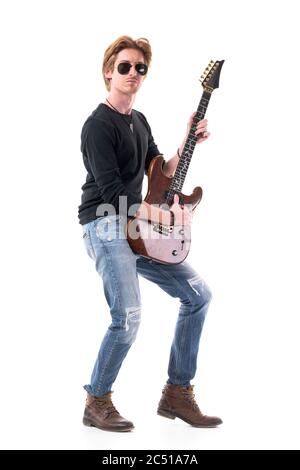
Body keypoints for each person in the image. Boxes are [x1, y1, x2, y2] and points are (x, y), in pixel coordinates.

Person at [78, 36, 222, 432]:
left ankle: (176, 394)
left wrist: (188, 138)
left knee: (198, 295)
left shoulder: (138, 121)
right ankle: (97, 401)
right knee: (128, 315)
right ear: (109, 71)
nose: (133, 74)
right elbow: (113, 195)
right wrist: (167, 219)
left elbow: (162, 170)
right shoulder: (97, 125)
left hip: (137, 227)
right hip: (105, 221)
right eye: (125, 66)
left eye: (140, 68)